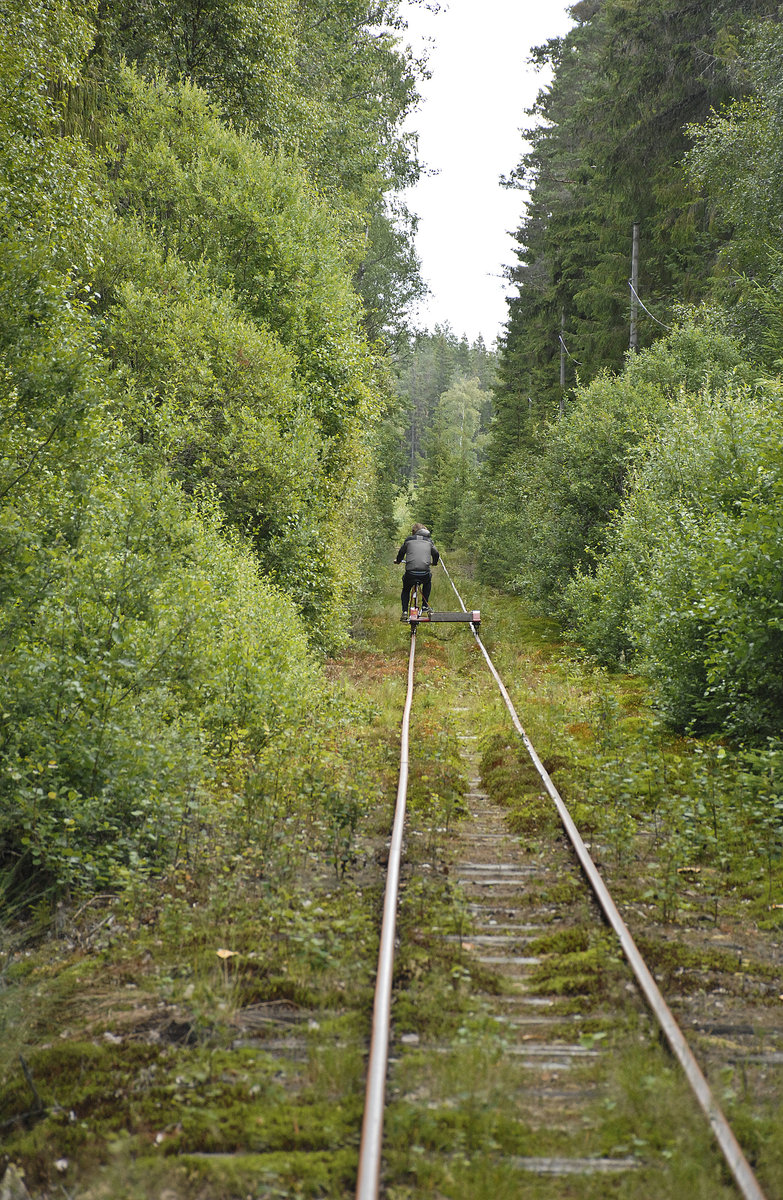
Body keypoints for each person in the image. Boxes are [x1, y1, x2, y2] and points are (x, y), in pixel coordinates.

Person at [395, 523, 440, 620]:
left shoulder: (409, 540)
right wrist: (435, 563)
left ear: (414, 532)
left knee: (406, 589)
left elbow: (401, 552)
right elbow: (436, 553)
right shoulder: (429, 541)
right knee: (427, 582)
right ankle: (424, 606)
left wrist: (398, 561)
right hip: (424, 573)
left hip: (410, 573)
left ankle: (405, 612)